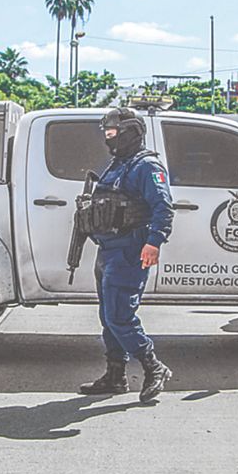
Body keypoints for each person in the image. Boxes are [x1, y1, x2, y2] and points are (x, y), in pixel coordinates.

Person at [77, 107, 175, 403]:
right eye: (106, 134)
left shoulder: (146, 166)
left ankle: (153, 366)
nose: (109, 139)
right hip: (107, 250)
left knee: (120, 316)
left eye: (113, 133)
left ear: (131, 131)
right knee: (108, 318)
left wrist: (154, 241)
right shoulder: (118, 165)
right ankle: (115, 375)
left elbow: (163, 207)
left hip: (130, 250)